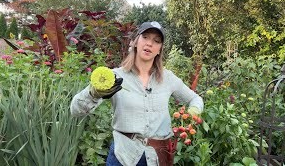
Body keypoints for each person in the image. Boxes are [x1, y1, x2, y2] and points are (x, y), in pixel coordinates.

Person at [70, 21, 204, 166]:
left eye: (156, 41)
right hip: (123, 156)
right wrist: (94, 93)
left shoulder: (168, 78)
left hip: (158, 157)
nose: (149, 44)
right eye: (145, 37)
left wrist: (193, 112)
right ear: (135, 42)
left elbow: (195, 99)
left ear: (159, 49)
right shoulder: (114, 77)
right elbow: (75, 110)